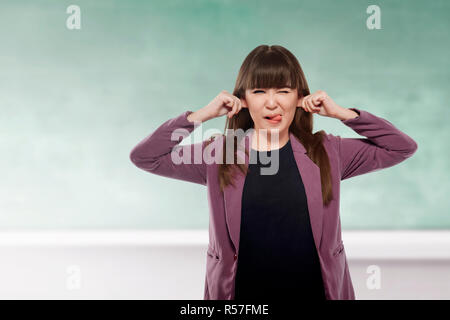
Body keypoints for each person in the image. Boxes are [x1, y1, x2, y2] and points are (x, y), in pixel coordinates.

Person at [129, 45, 418, 300]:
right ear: (242, 99)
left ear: (299, 97)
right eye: (259, 91)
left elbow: (401, 148)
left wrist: (343, 113)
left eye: (283, 91)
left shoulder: (328, 151)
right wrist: (202, 115)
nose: (272, 103)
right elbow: (146, 157)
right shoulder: (220, 153)